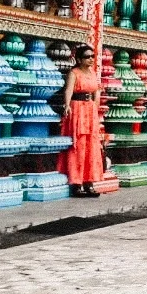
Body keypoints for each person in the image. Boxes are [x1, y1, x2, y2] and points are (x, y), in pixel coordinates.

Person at [58, 44, 104, 197]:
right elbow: (69, 90)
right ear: (79, 59)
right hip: (77, 109)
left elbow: (96, 91)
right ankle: (76, 183)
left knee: (91, 146)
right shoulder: (74, 73)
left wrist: (95, 108)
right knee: (78, 145)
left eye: (92, 56)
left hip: (90, 110)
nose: (91, 59)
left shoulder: (92, 73)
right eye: (87, 57)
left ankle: (89, 181)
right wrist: (66, 105)